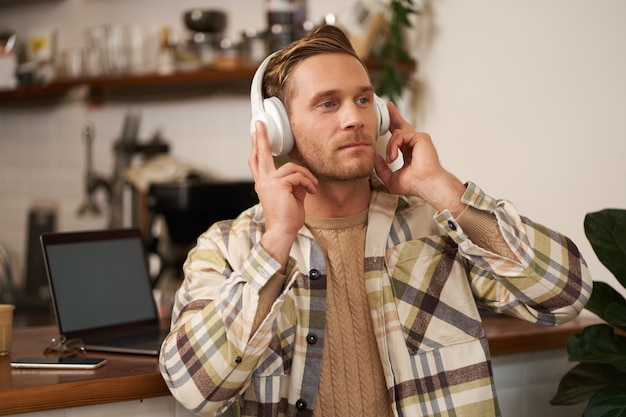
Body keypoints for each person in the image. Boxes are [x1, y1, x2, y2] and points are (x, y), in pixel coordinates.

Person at [159, 24, 592, 417]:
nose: (354, 118)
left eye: (363, 100)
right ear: (277, 131)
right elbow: (195, 390)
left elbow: (566, 294)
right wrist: (277, 240)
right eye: (328, 104)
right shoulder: (226, 248)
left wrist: (440, 187)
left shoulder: (436, 228)